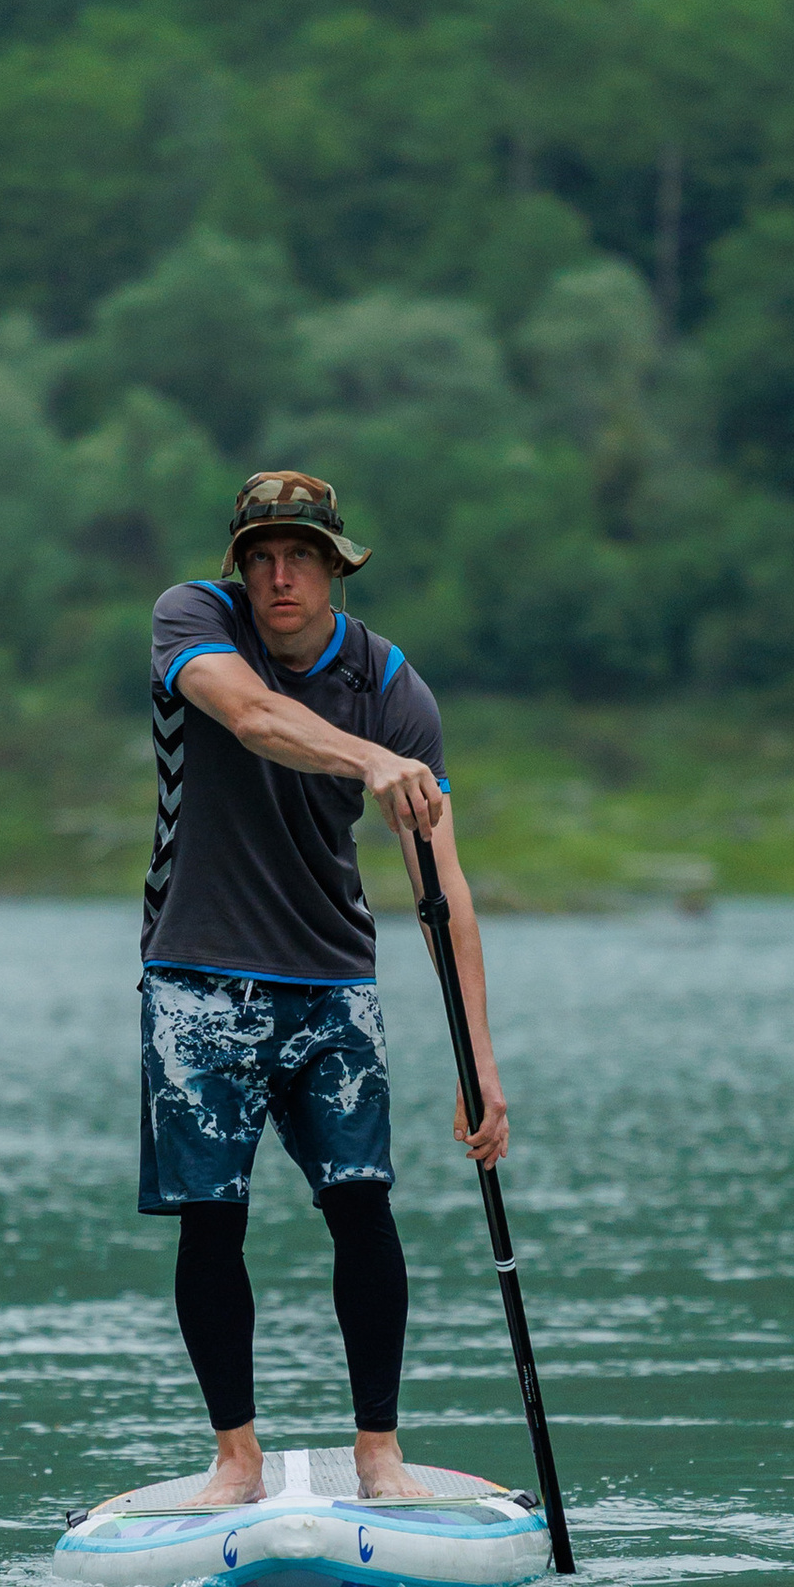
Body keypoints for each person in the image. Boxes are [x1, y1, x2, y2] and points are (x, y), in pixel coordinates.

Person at [141, 467, 508, 1507]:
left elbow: (444, 888)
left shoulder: (390, 684)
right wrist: (369, 763)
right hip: (197, 971)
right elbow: (252, 718)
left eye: (299, 556)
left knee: (362, 1207)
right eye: (259, 558)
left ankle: (378, 1454)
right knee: (212, 1219)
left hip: (331, 977)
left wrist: (480, 1069)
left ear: (336, 566)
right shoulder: (190, 620)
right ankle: (236, 1461)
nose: (277, 577)